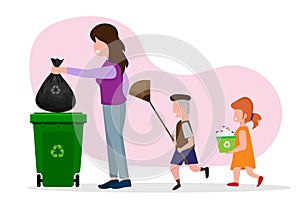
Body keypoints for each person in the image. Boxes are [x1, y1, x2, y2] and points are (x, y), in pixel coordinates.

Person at [51, 23, 131, 189]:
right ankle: (114, 177)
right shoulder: (110, 62)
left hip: (115, 106)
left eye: (96, 41)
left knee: (116, 141)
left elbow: (91, 74)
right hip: (108, 104)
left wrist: (65, 69)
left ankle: (125, 178)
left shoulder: (114, 66)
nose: (94, 45)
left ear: (107, 42)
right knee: (110, 141)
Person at [169, 94, 209, 190]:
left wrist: (182, 148)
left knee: (193, 168)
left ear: (183, 107)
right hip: (179, 149)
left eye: (175, 107)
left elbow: (191, 142)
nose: (173, 110)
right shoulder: (179, 123)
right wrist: (173, 140)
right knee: (173, 167)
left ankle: (204, 169)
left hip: (187, 150)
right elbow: (174, 135)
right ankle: (178, 183)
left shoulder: (185, 125)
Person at [227, 97, 263, 187]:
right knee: (237, 168)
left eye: (237, 113)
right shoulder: (241, 129)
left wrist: (231, 150)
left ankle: (258, 177)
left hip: (243, 153)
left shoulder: (243, 130)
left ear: (245, 115)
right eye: (234, 112)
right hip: (240, 153)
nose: (234, 115)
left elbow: (243, 145)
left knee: (249, 171)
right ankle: (236, 182)